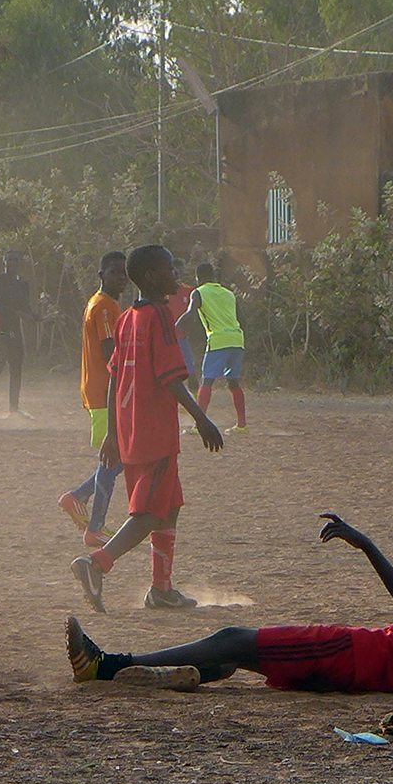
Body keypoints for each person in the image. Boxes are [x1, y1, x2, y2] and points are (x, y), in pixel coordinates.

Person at [66, 513, 393, 693]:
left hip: (351, 653)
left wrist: (366, 545)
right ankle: (194, 674)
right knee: (236, 658)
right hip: (362, 670)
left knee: (233, 638)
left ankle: (109, 665)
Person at [70, 244, 223, 613]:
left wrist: (111, 431)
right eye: (171, 269)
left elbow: (114, 377)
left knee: (169, 506)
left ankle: (161, 590)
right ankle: (97, 565)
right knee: (150, 512)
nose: (176, 275)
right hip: (154, 429)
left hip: (129, 426)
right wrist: (201, 419)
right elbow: (170, 379)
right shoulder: (159, 316)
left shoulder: (127, 318)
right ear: (154, 276)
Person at [57, 250, 128, 548]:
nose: (121, 279)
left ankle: (78, 497)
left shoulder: (107, 304)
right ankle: (94, 526)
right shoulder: (102, 307)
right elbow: (110, 351)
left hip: (104, 389)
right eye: (115, 273)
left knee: (121, 457)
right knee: (114, 459)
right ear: (101, 275)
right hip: (104, 391)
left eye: (124, 273)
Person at [179, 262, 247, 433]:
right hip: (237, 339)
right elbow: (242, 319)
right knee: (234, 382)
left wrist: (173, 329)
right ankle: (242, 425)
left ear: (198, 278)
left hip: (218, 340)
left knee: (207, 380)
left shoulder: (198, 292)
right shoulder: (229, 293)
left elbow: (190, 313)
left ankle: (199, 424)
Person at [0, 252, 45, 418]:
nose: (12, 264)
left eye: (16, 261)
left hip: (13, 327)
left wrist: (39, 318)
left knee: (16, 366)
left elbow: (26, 306)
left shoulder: (22, 284)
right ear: (4, 263)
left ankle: (13, 408)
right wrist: (23, 315)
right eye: (10, 261)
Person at [169, 258, 199, 388]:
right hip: (166, 337)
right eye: (175, 269)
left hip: (182, 337)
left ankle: (196, 400)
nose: (178, 272)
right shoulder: (163, 291)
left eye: (180, 269)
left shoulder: (189, 290)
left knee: (191, 371)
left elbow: (194, 314)